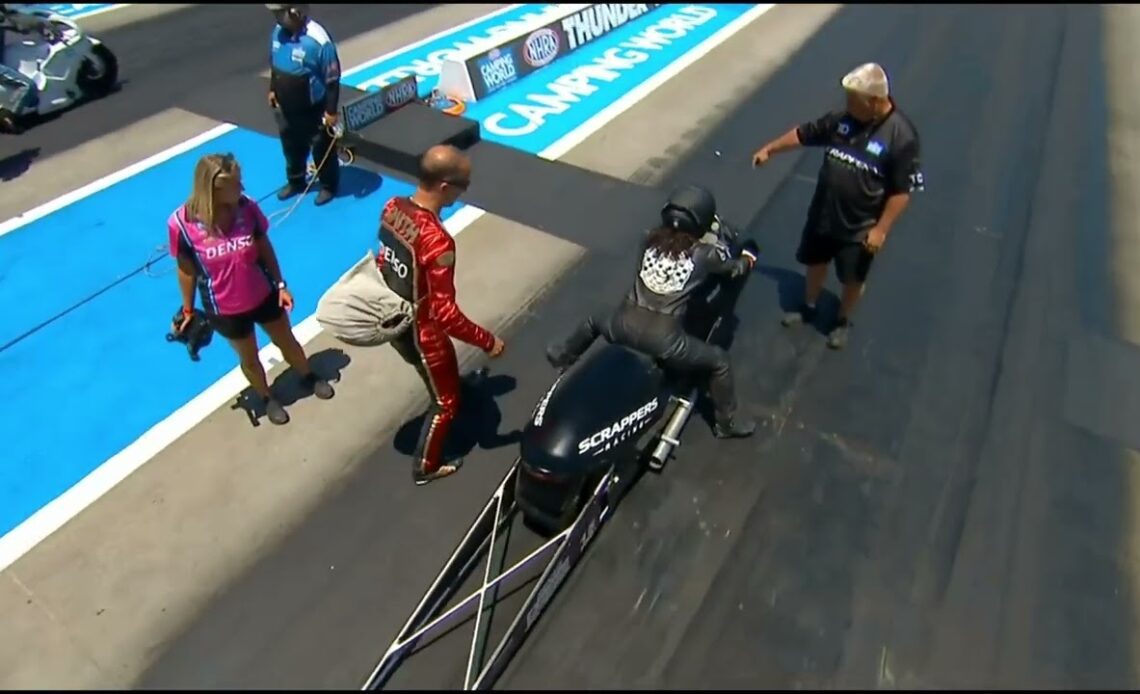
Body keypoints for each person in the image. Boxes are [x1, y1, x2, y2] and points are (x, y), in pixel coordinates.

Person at [545, 185, 758, 440]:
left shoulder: (647, 239)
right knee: (719, 361)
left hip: (621, 325)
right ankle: (726, 424)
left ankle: (563, 354)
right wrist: (747, 257)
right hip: (663, 340)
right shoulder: (706, 254)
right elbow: (733, 270)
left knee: (593, 320)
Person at [751, 61, 924, 350]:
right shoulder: (842, 121)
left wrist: (880, 230)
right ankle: (809, 304)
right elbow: (805, 134)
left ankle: (842, 320)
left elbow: (901, 191)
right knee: (815, 261)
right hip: (824, 213)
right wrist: (770, 149)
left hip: (860, 227)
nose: (847, 105)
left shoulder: (902, 136)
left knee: (852, 277)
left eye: (853, 100)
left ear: (875, 101)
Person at [169, 153, 335, 425]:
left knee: (287, 340)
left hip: (263, 295)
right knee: (249, 357)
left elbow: (264, 248)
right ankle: (267, 397)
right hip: (224, 309)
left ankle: (307, 375)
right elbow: (186, 269)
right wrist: (187, 308)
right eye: (235, 184)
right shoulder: (181, 224)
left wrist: (281, 285)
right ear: (214, 189)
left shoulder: (247, 209)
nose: (242, 188)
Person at [377, 144, 507, 486]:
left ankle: (449, 385)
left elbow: (383, 263)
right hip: (424, 332)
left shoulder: (392, 208)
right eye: (463, 185)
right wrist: (487, 340)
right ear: (445, 187)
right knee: (446, 403)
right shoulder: (438, 241)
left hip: (395, 319)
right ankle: (426, 465)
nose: (464, 192)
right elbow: (445, 314)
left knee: (433, 376)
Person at [266, 3, 341, 207]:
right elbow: (274, 64)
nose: (276, 18)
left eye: (280, 13)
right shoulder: (277, 33)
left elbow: (332, 79)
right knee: (291, 147)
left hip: (313, 108)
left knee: (320, 147)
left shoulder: (318, 41)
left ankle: (328, 185)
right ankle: (296, 181)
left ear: (296, 12)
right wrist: (273, 89)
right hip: (286, 106)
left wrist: (331, 111)